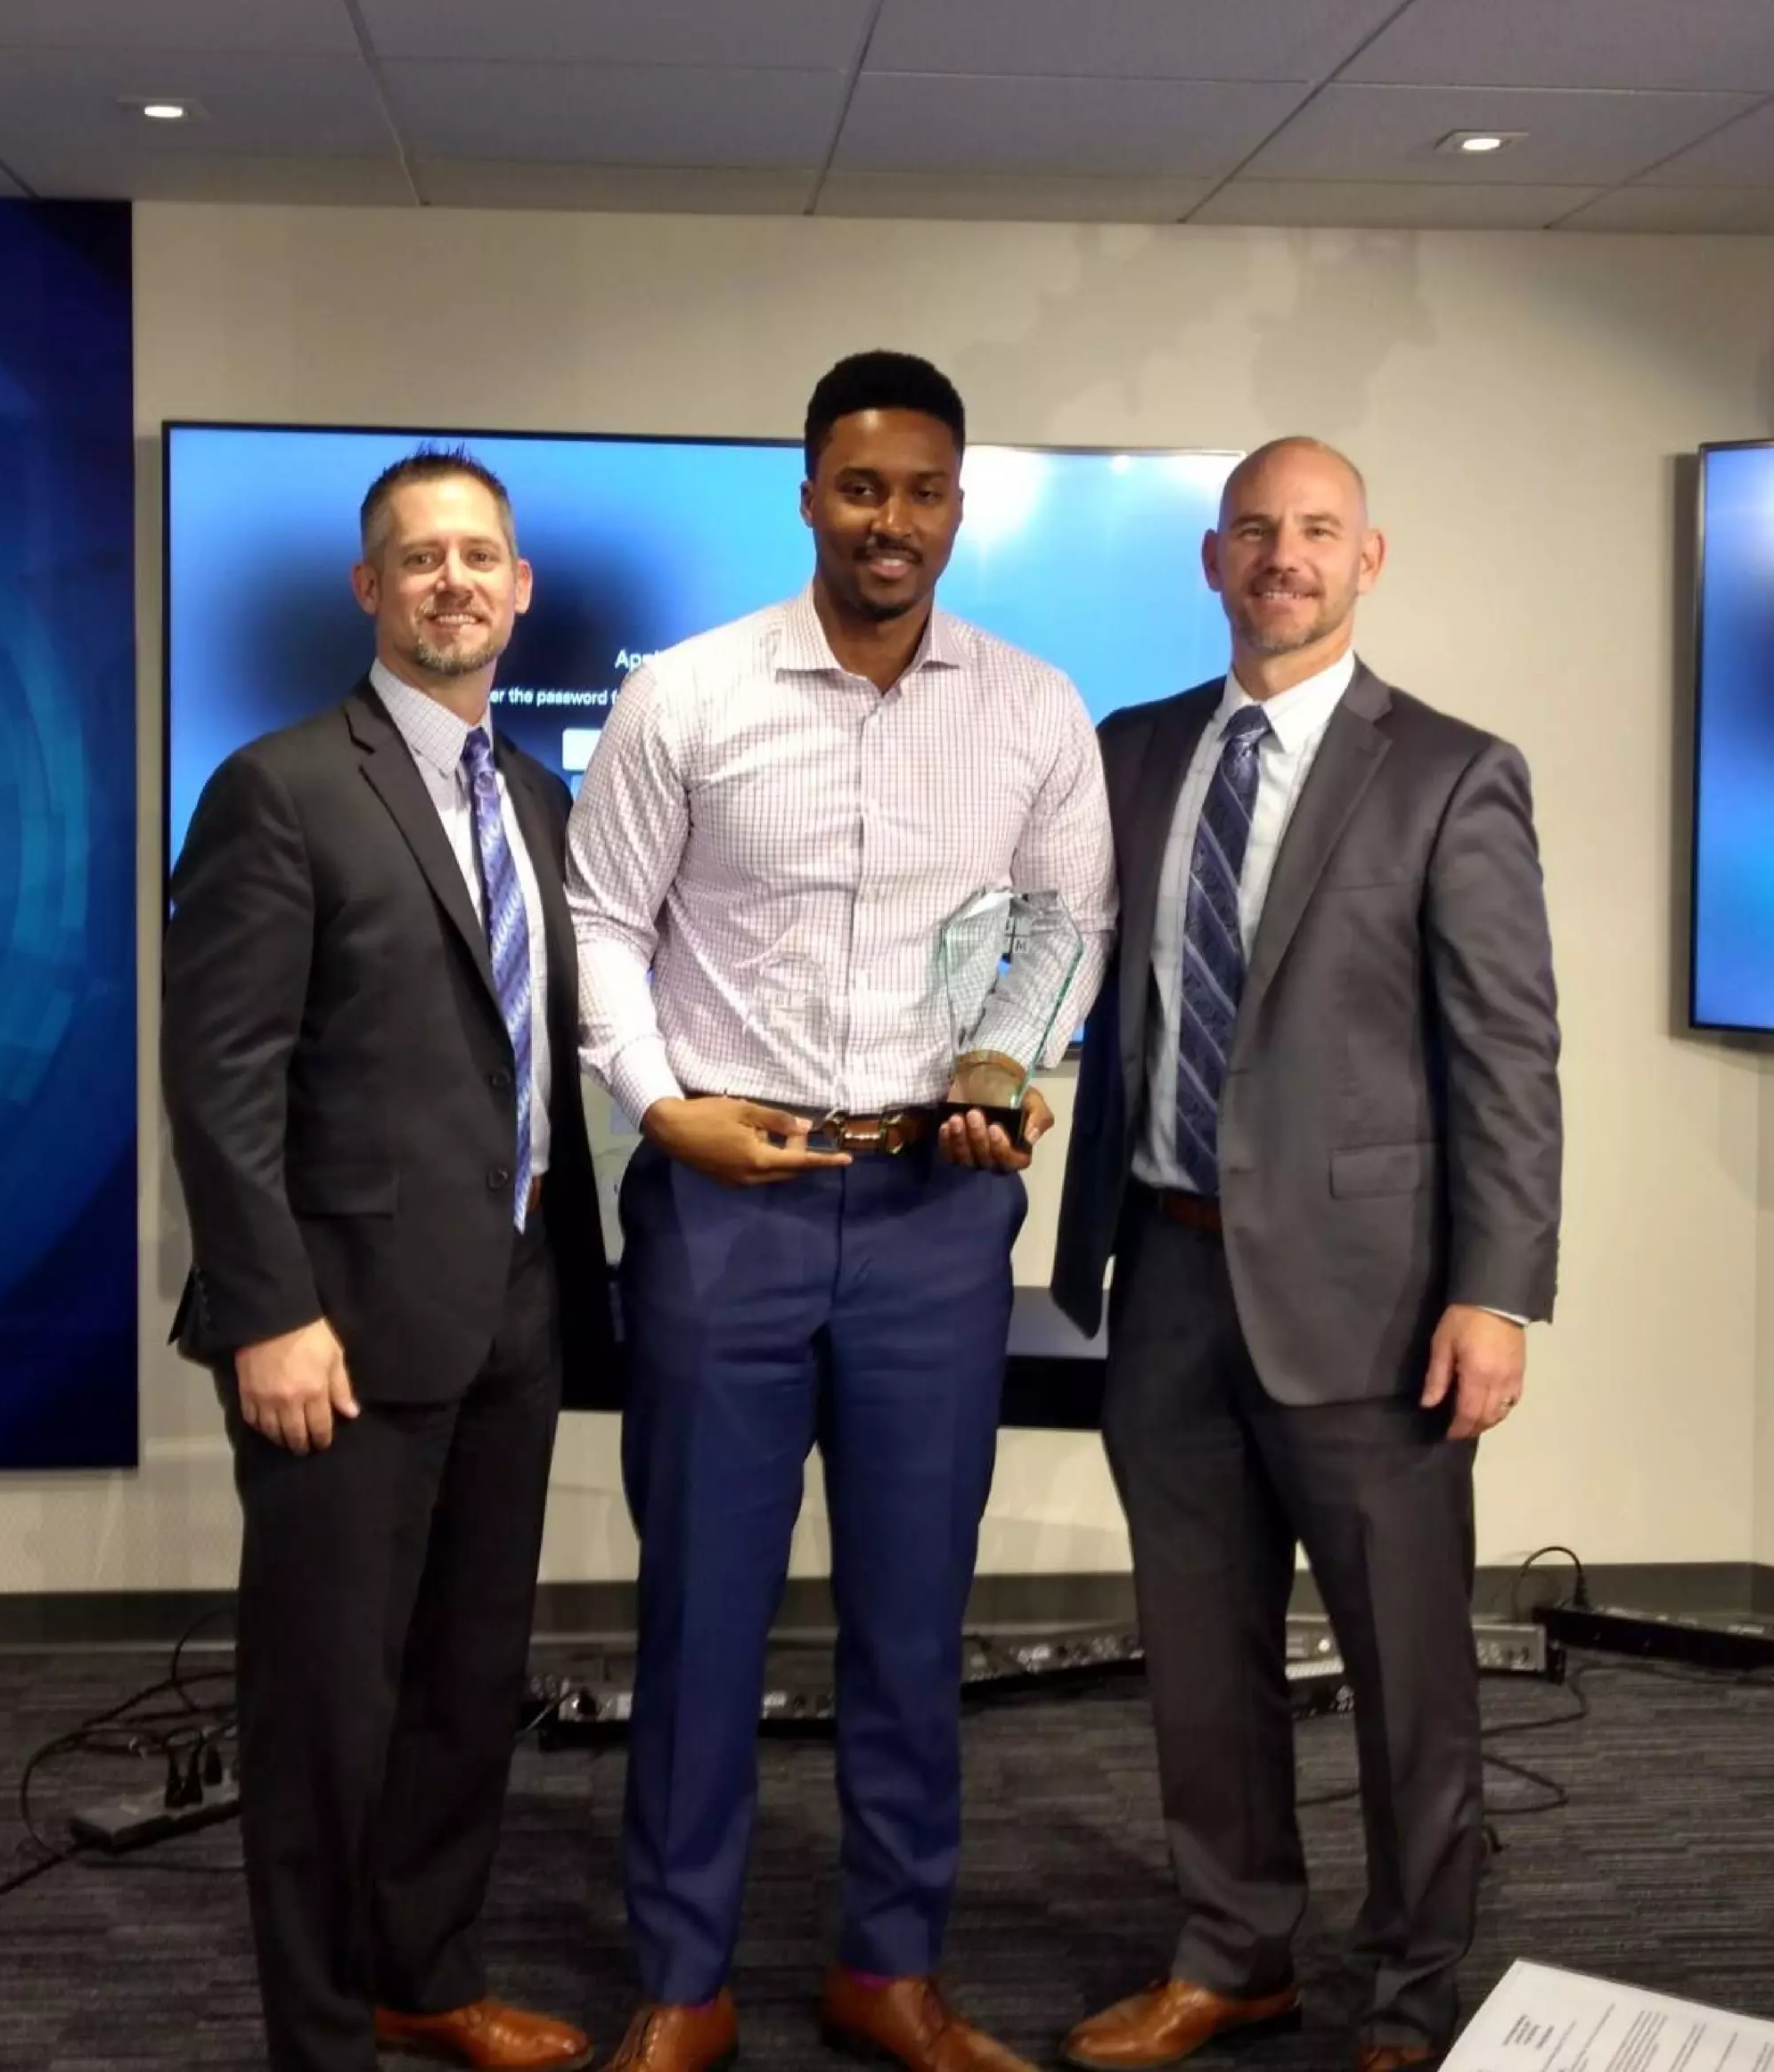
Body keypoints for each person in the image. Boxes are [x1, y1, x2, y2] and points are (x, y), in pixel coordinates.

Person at [566, 350, 1116, 2072]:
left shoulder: (1034, 708)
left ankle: (890, 1967)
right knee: (700, 1611)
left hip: (935, 1216)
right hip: (722, 1202)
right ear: (808, 494)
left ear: (959, 503)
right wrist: (663, 1106)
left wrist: (1005, 1063)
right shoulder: (689, 694)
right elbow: (602, 923)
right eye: (862, 487)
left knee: (910, 1616)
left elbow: (1066, 925)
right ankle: (684, 1979)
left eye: (924, 490)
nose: (893, 520)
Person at [1051, 436, 1561, 2072]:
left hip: (1377, 1300)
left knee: (1409, 1674)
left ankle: (1411, 1993)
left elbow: (1507, 1054)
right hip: (1166, 1278)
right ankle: (1235, 1953)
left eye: (1319, 529)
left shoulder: (1453, 772)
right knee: (1202, 1663)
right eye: (1258, 529)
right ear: (1213, 560)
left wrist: (1495, 1290)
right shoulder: (1132, 751)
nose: (1286, 553)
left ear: (1368, 558)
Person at [162, 449, 609, 2072]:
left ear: (521, 588)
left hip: (515, 1315)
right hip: (335, 1336)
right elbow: (219, 1080)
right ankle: (321, 2036)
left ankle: (429, 1973)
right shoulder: (278, 787)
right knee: (323, 1711)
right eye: (420, 557)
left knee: (467, 1682)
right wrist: (268, 1313)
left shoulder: (543, 798)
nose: (453, 581)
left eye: (480, 555)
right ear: (370, 588)